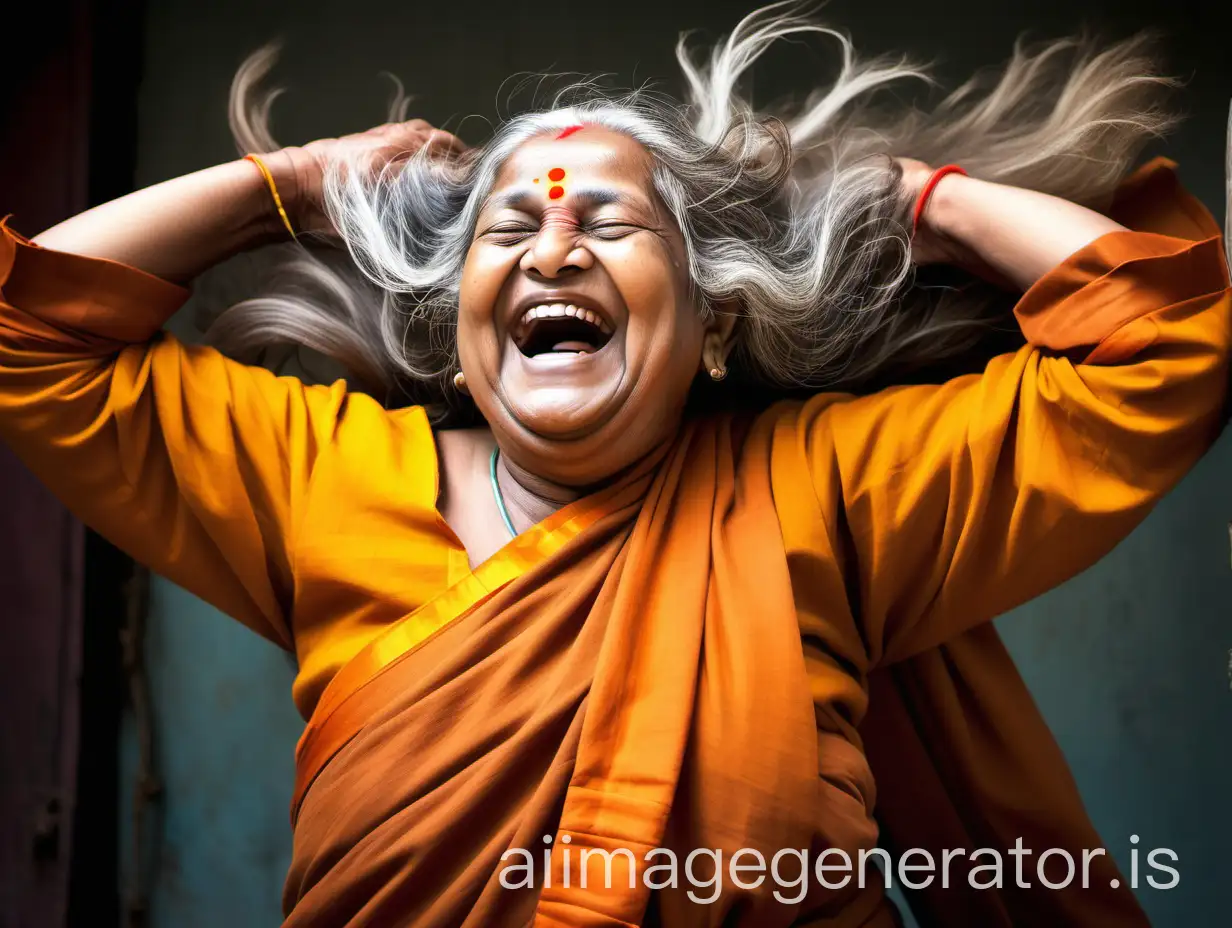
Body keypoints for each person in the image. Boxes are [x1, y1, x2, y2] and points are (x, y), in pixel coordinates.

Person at [1, 5, 1228, 926]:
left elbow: (1165, 345)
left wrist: (907, 197)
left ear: (713, 326)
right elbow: (30, 335)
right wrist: (298, 182)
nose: (552, 249)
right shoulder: (320, 474)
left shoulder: (825, 486)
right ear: (451, 322)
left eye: (610, 222)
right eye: (509, 227)